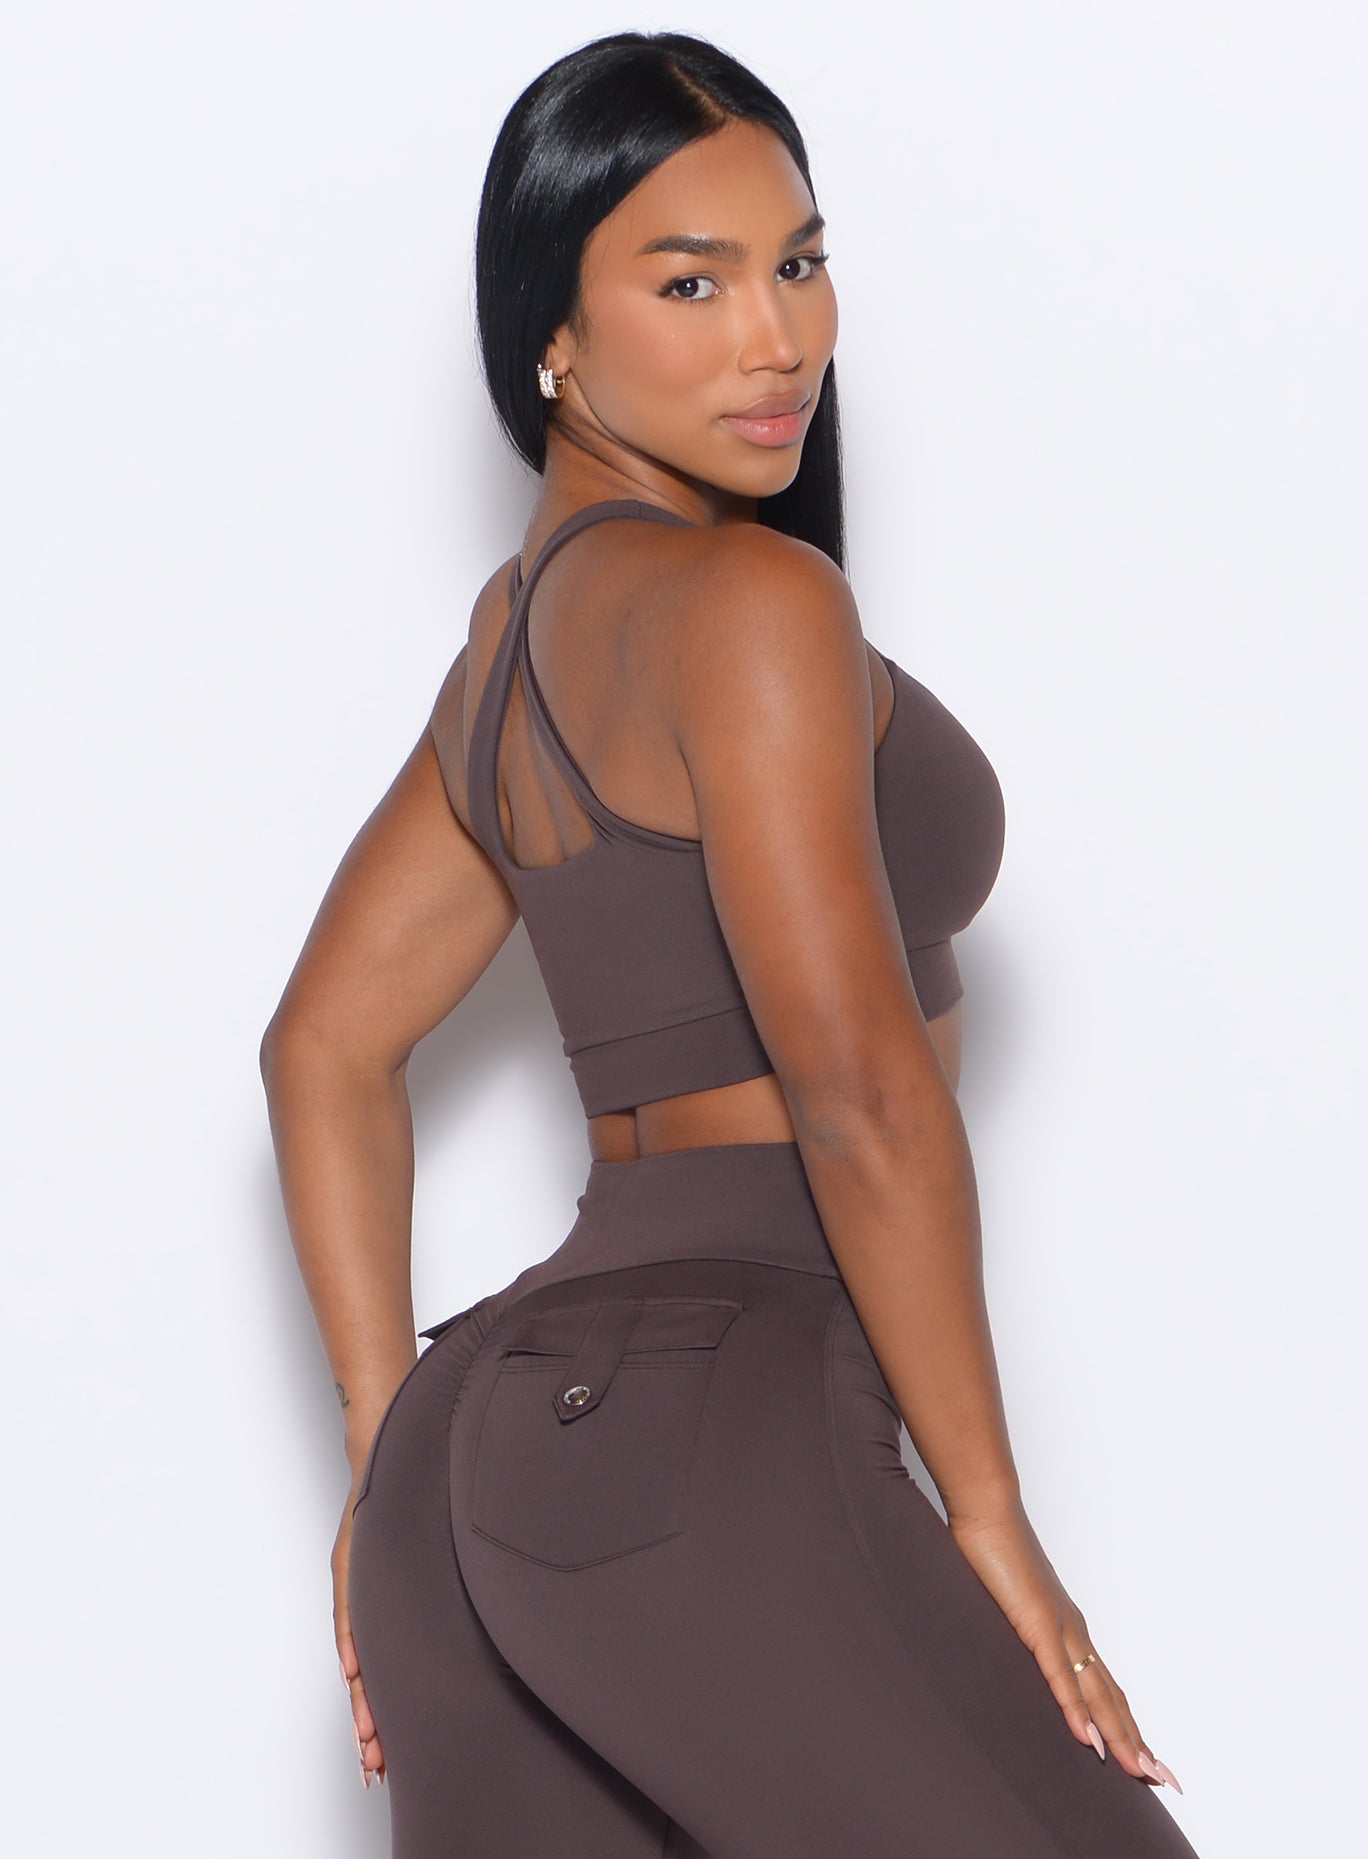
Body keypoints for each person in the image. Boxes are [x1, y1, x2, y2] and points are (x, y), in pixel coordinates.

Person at [260, 30, 1200, 1858]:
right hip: (714, 1417)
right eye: (689, 283)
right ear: (551, 330)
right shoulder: (753, 603)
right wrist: (993, 1520)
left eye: (798, 262)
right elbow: (857, 1089)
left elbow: (322, 1048)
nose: (778, 339)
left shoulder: (508, 657)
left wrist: (383, 1453)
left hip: (481, 1473)